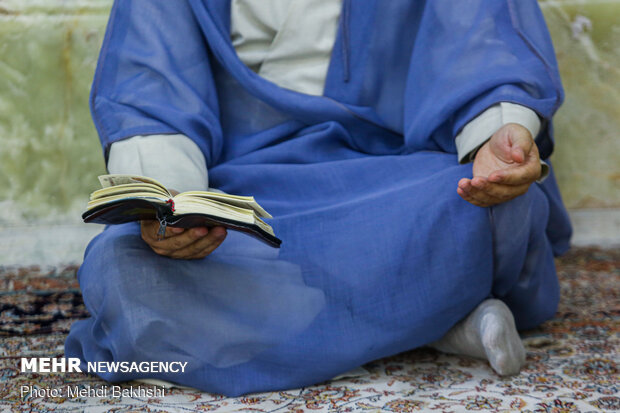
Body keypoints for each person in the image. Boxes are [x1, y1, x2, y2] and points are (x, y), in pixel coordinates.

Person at [65, 0, 573, 396]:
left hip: (391, 174)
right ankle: (441, 319)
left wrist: (498, 142)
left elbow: (488, 44)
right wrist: (170, 208)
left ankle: (371, 320)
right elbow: (147, 89)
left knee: (487, 201)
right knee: (123, 262)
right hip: (253, 195)